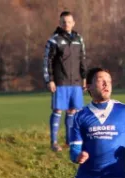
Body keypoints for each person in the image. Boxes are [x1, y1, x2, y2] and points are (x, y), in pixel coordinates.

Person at [44, 11, 87, 152]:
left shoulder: (79, 39)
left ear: (73, 23)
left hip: (76, 81)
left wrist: (84, 78)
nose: (66, 24)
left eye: (69, 21)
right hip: (60, 81)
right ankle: (54, 142)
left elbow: (83, 59)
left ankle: (70, 141)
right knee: (57, 110)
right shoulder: (54, 40)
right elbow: (47, 61)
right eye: (63, 22)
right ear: (59, 23)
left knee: (72, 111)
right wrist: (50, 80)